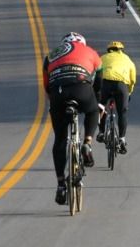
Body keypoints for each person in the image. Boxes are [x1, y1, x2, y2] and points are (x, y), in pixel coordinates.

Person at [43, 32, 102, 205]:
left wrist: (54, 106)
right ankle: (87, 143)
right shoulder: (91, 52)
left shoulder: (51, 55)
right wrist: (97, 101)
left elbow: (46, 86)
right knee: (92, 111)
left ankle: (61, 184)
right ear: (82, 42)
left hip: (58, 92)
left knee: (60, 139)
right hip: (81, 87)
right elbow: (99, 81)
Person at [94, 40, 136, 154]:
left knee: (101, 107)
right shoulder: (127, 59)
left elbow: (96, 73)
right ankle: (122, 139)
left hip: (105, 84)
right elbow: (133, 78)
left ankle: (102, 132)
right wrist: (130, 92)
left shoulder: (103, 57)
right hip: (121, 86)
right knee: (122, 112)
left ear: (109, 50)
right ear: (121, 50)